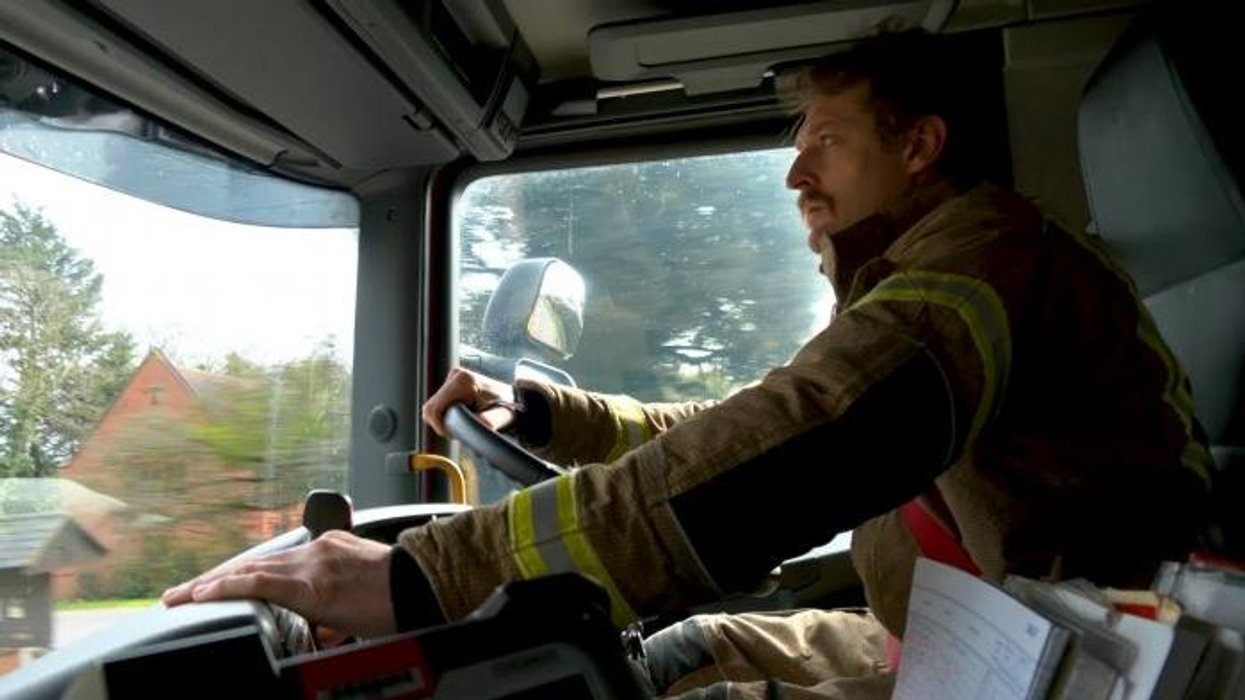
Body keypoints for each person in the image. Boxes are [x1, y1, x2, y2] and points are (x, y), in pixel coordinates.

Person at [163, 29, 1211, 699]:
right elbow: (751, 420)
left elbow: (819, 433)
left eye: (830, 141)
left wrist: (428, 573)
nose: (797, 169)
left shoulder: (990, 256)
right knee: (685, 651)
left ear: (921, 145)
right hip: (945, 645)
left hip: (1058, 675)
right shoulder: (913, 284)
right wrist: (541, 414)